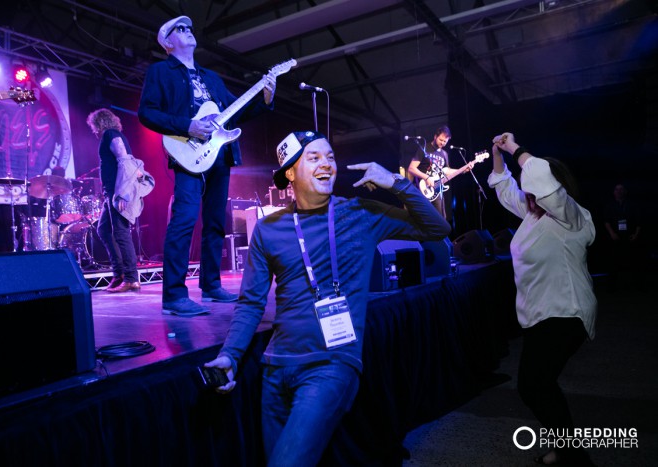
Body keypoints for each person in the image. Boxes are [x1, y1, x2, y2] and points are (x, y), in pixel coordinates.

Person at [205, 131, 451, 466]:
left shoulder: (361, 214)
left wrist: (397, 183)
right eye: (314, 157)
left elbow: (437, 229)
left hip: (332, 366)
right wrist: (229, 357)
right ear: (290, 173)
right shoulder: (269, 229)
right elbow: (250, 303)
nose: (327, 164)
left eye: (330, 157)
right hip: (275, 369)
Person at [138, 15, 277, 316]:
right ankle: (174, 296)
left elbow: (234, 113)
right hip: (187, 152)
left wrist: (265, 97)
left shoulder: (211, 77)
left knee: (215, 221)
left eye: (190, 27)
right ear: (168, 42)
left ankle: (211, 285)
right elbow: (146, 112)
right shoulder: (160, 71)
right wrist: (187, 125)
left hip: (219, 154)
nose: (188, 31)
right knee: (185, 219)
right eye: (180, 29)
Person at [488, 132, 597, 466]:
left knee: (534, 385)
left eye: (536, 187)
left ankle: (573, 458)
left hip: (566, 312)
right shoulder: (533, 215)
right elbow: (505, 188)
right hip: (541, 315)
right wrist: (497, 153)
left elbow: (540, 178)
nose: (529, 192)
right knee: (539, 385)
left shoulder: (571, 216)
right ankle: (565, 449)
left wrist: (514, 148)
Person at [86, 108, 140, 293]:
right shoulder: (112, 135)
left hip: (118, 193)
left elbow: (125, 161)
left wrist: (123, 193)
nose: (93, 130)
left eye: (94, 126)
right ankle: (120, 275)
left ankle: (132, 279)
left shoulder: (111, 134)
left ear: (99, 123)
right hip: (112, 193)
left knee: (121, 233)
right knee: (103, 229)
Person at [407, 125, 467, 220]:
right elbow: (411, 168)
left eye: (445, 141)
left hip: (436, 191)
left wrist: (462, 170)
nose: (442, 143)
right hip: (422, 189)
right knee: (422, 219)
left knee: (441, 219)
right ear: (435, 136)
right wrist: (426, 177)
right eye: (441, 140)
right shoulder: (424, 148)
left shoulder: (444, 154)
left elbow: (446, 171)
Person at [603, 182, 643, 290]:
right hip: (615, 237)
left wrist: (636, 234)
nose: (619, 191)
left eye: (621, 189)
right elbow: (606, 221)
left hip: (630, 237)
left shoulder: (632, 205)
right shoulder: (610, 205)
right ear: (614, 192)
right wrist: (612, 233)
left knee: (633, 261)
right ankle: (612, 286)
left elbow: (639, 221)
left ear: (625, 191)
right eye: (617, 189)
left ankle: (636, 286)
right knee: (613, 262)